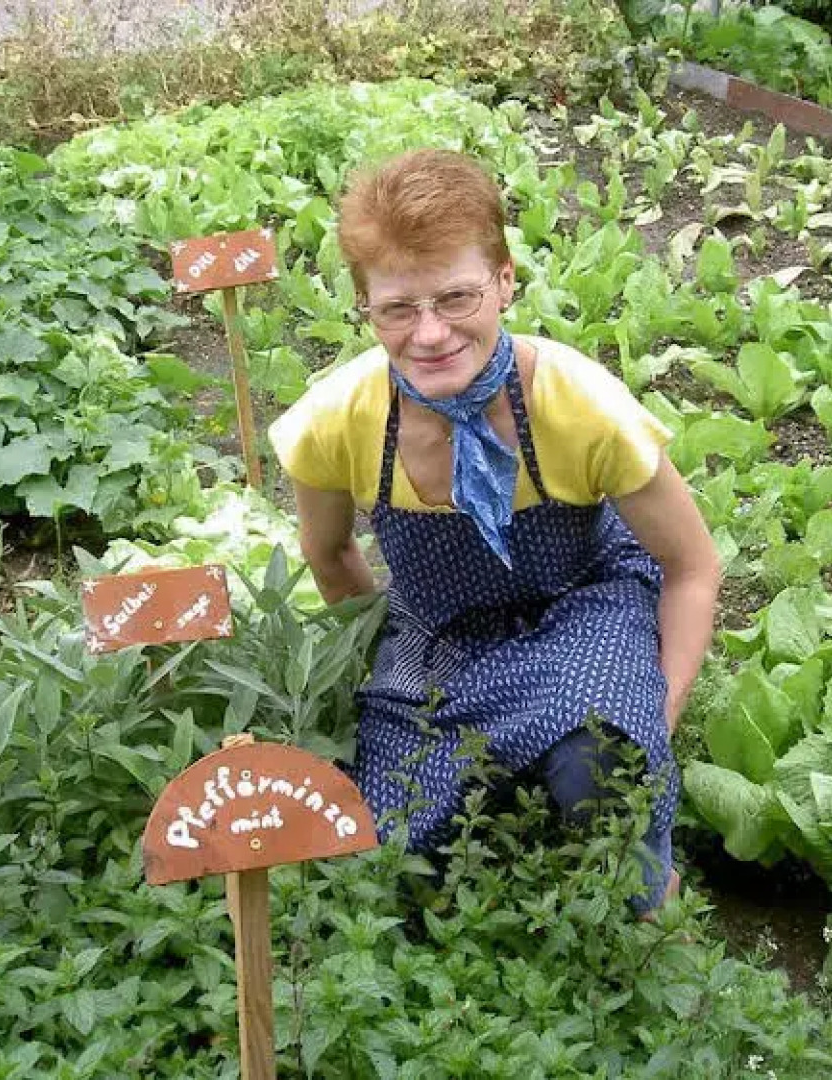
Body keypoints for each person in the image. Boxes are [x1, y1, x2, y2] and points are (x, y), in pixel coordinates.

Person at [268, 149, 721, 914]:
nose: (431, 333)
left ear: (505, 280)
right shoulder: (336, 422)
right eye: (397, 308)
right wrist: (384, 656)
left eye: (456, 296)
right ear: (364, 307)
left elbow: (693, 567)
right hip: (442, 629)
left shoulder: (578, 406)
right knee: (390, 860)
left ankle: (649, 907)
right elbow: (330, 552)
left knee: (599, 763)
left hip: (578, 607)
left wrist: (657, 713)